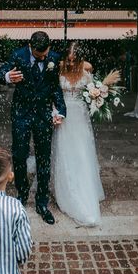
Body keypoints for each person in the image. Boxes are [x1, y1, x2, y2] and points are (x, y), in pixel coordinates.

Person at [0, 31, 66, 224]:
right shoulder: (18, 55)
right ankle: (22, 194)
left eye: (45, 53)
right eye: (39, 54)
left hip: (43, 116)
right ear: (29, 46)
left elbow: (55, 87)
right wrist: (8, 76)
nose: (43, 57)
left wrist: (61, 111)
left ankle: (42, 203)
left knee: (44, 158)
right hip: (21, 114)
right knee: (19, 155)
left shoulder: (54, 58)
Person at [52, 41, 106, 226]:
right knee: (65, 151)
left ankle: (86, 187)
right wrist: (55, 113)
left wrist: (96, 99)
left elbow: (95, 94)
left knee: (82, 152)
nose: (71, 61)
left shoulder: (86, 72)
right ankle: (66, 189)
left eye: (74, 57)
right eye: (68, 57)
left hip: (81, 117)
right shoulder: (58, 69)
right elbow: (53, 95)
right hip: (63, 117)